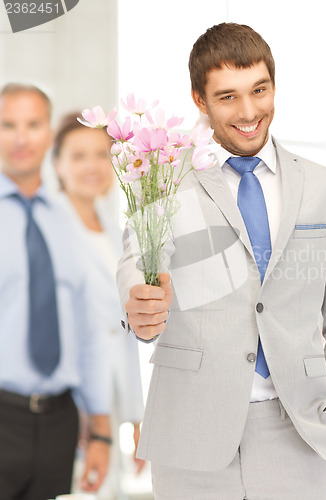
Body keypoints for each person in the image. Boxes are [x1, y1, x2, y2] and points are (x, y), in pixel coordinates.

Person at [117, 23, 326, 500]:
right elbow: (137, 260)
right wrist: (138, 303)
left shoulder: (325, 186)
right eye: (228, 97)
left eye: (260, 90)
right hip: (189, 434)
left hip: (298, 432)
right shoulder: (167, 180)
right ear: (200, 99)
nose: (250, 111)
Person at [0, 83, 111, 500]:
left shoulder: (67, 224)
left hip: (59, 424)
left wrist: (101, 432)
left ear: (49, 134)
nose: (22, 137)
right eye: (8, 125)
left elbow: (88, 332)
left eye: (33, 124)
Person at [52, 112, 145, 499]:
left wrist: (138, 418)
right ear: (56, 164)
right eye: (78, 156)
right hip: (71, 408)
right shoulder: (49, 226)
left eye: (101, 155)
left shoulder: (113, 229)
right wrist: (87, 414)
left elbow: (123, 330)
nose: (92, 166)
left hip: (114, 398)